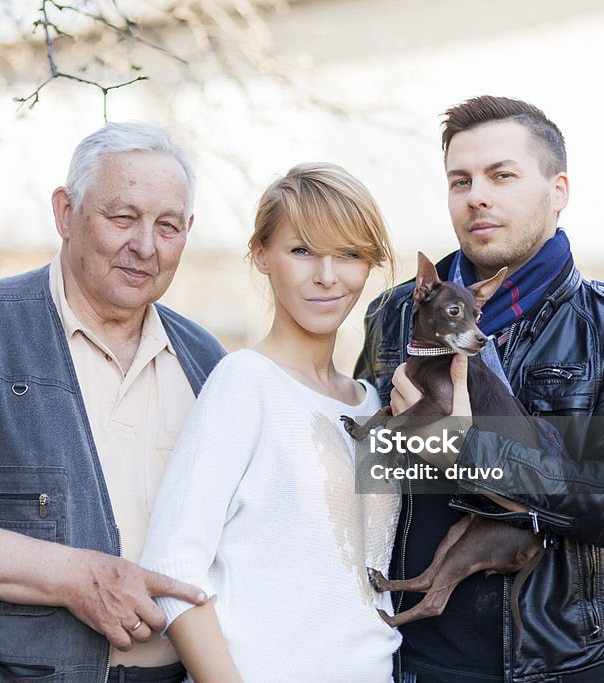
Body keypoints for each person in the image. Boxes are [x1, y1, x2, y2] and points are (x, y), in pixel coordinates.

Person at [0, 122, 226, 682]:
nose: (146, 245)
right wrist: (75, 577)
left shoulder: (208, 363)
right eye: (122, 217)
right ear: (65, 213)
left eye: (168, 226)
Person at [354, 96, 604, 683]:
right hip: (409, 655)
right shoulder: (394, 312)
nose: (478, 194)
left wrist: (469, 451)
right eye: (461, 180)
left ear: (559, 190)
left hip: (565, 659)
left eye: (502, 175)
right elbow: (359, 472)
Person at [140, 162, 402, 682]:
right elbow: (172, 567)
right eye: (302, 251)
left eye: (348, 253)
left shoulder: (376, 406)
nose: (327, 276)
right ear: (261, 255)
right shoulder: (245, 382)